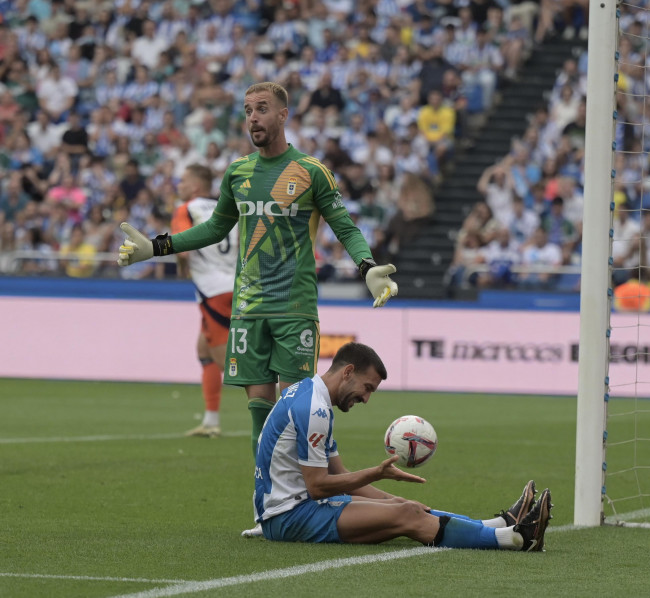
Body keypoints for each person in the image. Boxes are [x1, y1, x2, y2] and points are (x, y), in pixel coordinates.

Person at [116, 82, 399, 535]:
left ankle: (321, 495)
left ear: (284, 115)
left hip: (294, 307)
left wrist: (367, 266)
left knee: (301, 410)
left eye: (262, 109)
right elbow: (213, 229)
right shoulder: (238, 173)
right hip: (248, 309)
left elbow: (343, 224)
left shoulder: (311, 171)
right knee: (260, 414)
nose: (253, 117)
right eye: (248, 110)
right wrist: (156, 246)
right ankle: (268, 509)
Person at [253, 341, 553, 551]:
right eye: (366, 388)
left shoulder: (311, 397)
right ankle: (515, 539)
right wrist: (376, 474)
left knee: (404, 507)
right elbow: (319, 486)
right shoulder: (314, 410)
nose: (366, 398)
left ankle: (500, 524)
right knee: (407, 515)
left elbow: (341, 477)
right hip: (289, 517)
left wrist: (389, 497)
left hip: (297, 508)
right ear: (348, 372)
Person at [171, 164, 239, 439]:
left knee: (230, 365)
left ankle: (282, 416)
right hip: (239, 286)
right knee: (203, 349)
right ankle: (211, 421)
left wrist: (180, 264)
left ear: (196, 187)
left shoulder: (185, 209)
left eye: (184, 181)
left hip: (213, 290)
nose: (179, 184)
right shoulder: (229, 208)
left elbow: (181, 246)